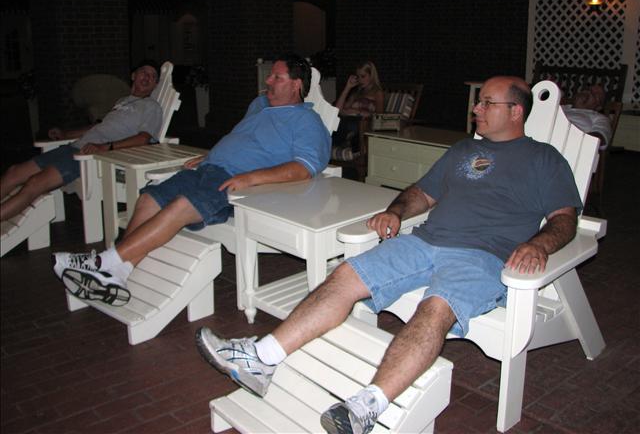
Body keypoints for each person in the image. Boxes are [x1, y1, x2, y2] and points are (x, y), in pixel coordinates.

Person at [194, 76, 583, 434]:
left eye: (486, 103)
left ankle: (367, 407)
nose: (475, 109)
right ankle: (261, 358)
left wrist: (538, 245)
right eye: (478, 101)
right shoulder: (463, 150)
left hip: (482, 257)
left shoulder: (544, 159)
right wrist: (396, 211)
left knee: (435, 308)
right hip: (424, 241)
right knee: (345, 276)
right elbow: (423, 193)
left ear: (515, 111)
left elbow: (565, 219)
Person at [52, 54, 331, 307]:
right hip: (208, 168)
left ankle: (102, 261)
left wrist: (250, 177)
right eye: (270, 76)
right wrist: (213, 154)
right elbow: (243, 138)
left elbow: (305, 168)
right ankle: (118, 272)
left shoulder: (307, 121)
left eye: (277, 77)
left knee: (182, 205)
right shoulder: (259, 105)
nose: (267, 81)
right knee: (148, 198)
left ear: (296, 85)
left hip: (237, 184)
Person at [1, 61, 163, 222]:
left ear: (155, 84)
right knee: (13, 172)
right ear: (134, 76)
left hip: (88, 157)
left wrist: (106, 147)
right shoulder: (122, 101)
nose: (147, 77)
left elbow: (143, 139)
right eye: (144, 72)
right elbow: (99, 127)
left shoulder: (151, 107)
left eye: (153, 76)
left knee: (35, 183)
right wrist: (65, 134)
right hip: (73, 147)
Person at [332, 61, 384, 160]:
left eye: (363, 76)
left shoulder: (377, 93)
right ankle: (345, 140)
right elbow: (337, 110)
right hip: (348, 121)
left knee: (344, 123)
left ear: (371, 76)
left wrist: (357, 112)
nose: (360, 80)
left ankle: (337, 141)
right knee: (336, 120)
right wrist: (348, 87)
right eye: (358, 77)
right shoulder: (357, 93)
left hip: (364, 123)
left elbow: (379, 116)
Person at [561, 84, 612, 150]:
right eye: (588, 90)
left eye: (595, 94)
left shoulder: (600, 118)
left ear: (599, 107)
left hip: (568, 146)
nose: (589, 93)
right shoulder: (559, 106)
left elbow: (599, 138)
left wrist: (572, 141)